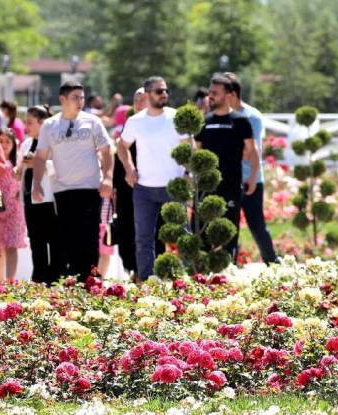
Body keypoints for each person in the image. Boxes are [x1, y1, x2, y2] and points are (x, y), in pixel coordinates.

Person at [32, 81, 114, 281]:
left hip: (90, 189)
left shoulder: (92, 121)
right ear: (62, 99)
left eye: (82, 97)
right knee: (67, 239)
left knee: (89, 238)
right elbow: (40, 157)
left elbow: (106, 151)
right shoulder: (50, 125)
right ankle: (72, 284)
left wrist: (109, 178)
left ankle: (89, 282)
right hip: (63, 190)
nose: (80, 101)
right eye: (75, 97)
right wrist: (36, 185)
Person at [119, 77, 185, 280]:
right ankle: (147, 280)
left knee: (182, 235)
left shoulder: (176, 118)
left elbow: (190, 147)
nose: (163, 94)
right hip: (144, 189)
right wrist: (129, 168)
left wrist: (189, 174)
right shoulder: (135, 121)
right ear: (147, 95)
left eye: (165, 90)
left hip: (173, 187)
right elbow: (122, 146)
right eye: (158, 91)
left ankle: (183, 279)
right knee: (143, 238)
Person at [195, 75, 259, 262]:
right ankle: (202, 276)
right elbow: (196, 152)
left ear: (229, 95)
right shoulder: (205, 121)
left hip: (231, 185)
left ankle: (229, 272)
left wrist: (253, 177)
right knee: (203, 234)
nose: (211, 96)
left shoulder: (240, 121)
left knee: (229, 232)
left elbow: (252, 150)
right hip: (205, 187)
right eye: (210, 93)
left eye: (215, 93)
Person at [224, 72, 277, 264]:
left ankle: (272, 263)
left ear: (232, 94)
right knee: (228, 225)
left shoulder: (252, 116)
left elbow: (249, 151)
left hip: (251, 180)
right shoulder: (221, 116)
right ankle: (229, 265)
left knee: (256, 225)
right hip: (228, 180)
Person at [19, 106, 62, 283]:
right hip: (30, 199)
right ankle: (39, 278)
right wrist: (18, 170)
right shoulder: (26, 144)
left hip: (49, 199)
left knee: (54, 241)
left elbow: (59, 167)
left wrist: (37, 164)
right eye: (26, 121)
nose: (26, 126)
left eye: (30, 122)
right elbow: (22, 167)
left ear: (42, 123)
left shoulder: (54, 143)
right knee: (36, 242)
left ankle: (55, 278)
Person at [111, 89, 146, 278]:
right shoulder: (127, 129)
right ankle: (132, 269)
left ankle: (147, 271)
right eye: (137, 100)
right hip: (127, 188)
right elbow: (118, 158)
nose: (140, 103)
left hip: (151, 188)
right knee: (126, 228)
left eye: (143, 100)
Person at [0, 129, 27, 280]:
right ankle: (0, 283)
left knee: (12, 245)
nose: (4, 144)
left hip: (14, 210)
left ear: (14, 144)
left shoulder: (18, 164)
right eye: (0, 141)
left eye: (8, 141)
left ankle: (9, 282)